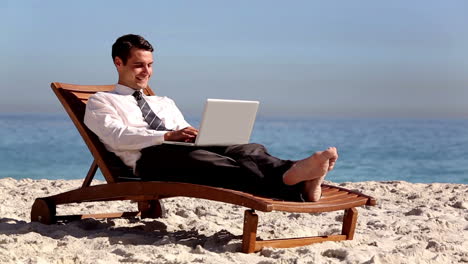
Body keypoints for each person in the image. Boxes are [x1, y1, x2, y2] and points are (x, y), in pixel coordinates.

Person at [84, 34, 338, 202]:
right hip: (150, 159)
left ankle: (292, 174)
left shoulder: (162, 101)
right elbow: (117, 137)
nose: (146, 71)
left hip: (180, 148)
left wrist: (195, 134)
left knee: (246, 148)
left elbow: (181, 128)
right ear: (118, 62)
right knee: (201, 159)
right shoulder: (101, 101)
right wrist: (166, 136)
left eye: (150, 64)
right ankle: (294, 181)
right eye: (139, 65)